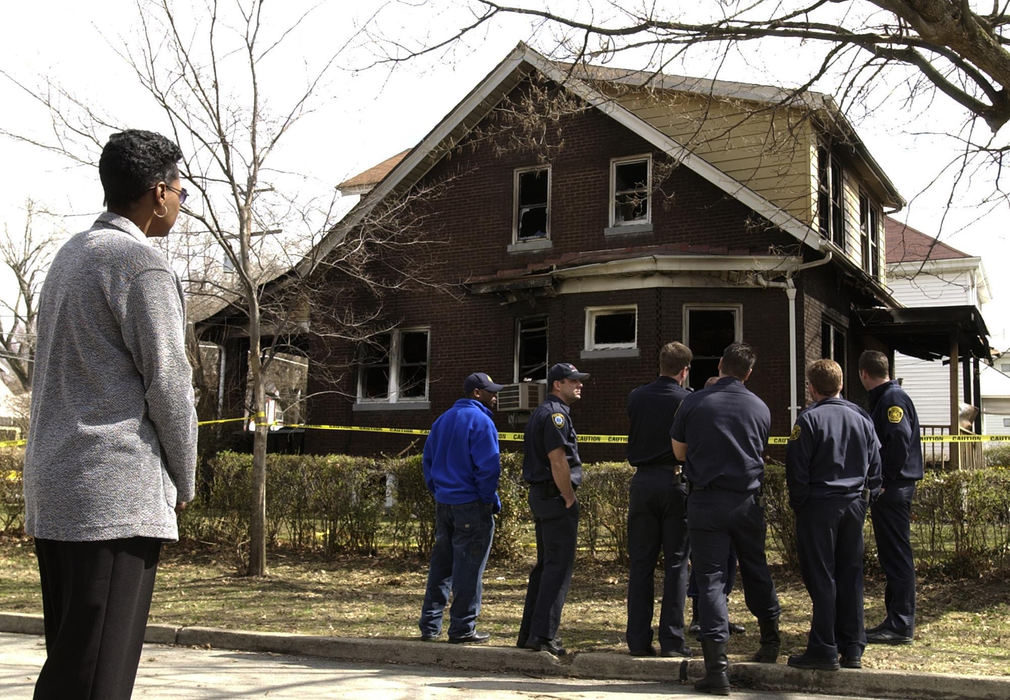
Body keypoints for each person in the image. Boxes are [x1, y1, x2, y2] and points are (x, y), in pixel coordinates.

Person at [23, 129, 198, 699]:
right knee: (97, 679)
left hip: (56, 489)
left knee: (72, 663)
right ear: (157, 192)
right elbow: (169, 383)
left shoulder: (69, 257)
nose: (181, 201)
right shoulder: (140, 264)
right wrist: (185, 478)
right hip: (113, 493)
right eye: (181, 189)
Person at [671, 343, 781, 695]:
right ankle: (770, 641)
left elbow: (678, 450)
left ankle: (717, 669)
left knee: (711, 580)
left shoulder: (694, 402)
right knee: (756, 568)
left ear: (720, 365)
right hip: (747, 501)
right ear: (749, 373)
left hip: (706, 499)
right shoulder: (760, 407)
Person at [785, 359, 883, 671]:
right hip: (853, 503)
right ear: (841, 385)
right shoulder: (862, 417)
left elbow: (796, 470)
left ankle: (823, 647)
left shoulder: (808, 420)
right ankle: (852, 646)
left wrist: (800, 504)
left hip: (819, 504)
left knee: (822, 577)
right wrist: (865, 499)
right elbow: (876, 467)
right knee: (850, 575)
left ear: (812, 388)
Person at [418, 372, 504, 644]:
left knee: (442, 565)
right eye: (490, 391)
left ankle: (430, 626)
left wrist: (439, 491)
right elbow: (488, 467)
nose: (495, 396)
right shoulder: (481, 421)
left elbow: (428, 461)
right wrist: (487, 499)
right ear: (477, 393)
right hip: (471, 504)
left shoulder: (442, 420)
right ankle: (462, 627)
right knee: (469, 569)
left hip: (445, 503)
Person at [625, 342, 693, 658]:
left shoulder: (636, 397)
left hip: (642, 481)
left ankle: (638, 640)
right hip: (674, 479)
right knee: (677, 563)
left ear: (660, 365)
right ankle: (672, 640)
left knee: (641, 563)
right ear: (684, 370)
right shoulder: (688, 400)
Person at [518, 361, 589, 657]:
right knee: (557, 568)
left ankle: (530, 634)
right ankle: (544, 636)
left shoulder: (544, 412)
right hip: (554, 497)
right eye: (573, 381)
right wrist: (568, 496)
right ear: (557, 384)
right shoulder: (556, 416)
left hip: (543, 496)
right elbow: (557, 459)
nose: (579, 385)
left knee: (546, 566)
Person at [859, 349, 923, 645]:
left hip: (894, 488)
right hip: (894, 487)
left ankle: (900, 624)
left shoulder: (891, 399)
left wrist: (882, 480)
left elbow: (896, 440)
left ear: (863, 374)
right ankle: (894, 619)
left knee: (897, 555)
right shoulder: (887, 397)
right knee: (892, 554)